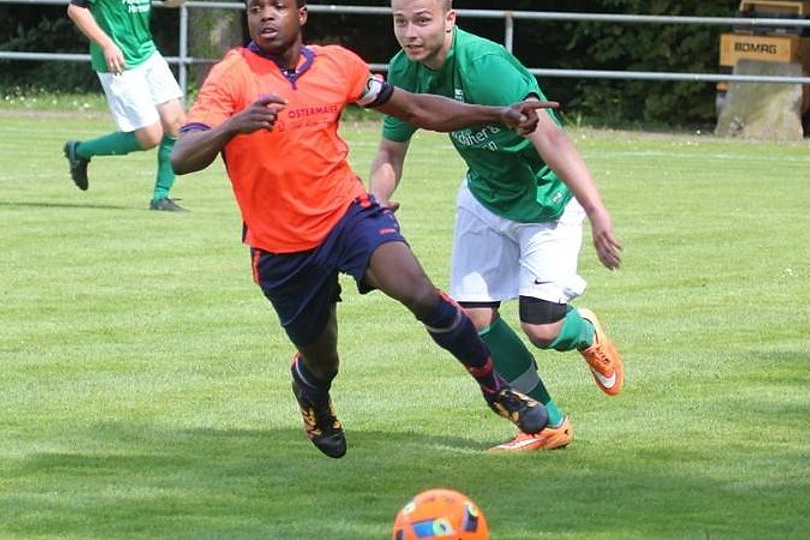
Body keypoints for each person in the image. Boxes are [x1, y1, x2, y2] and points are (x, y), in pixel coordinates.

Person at [171, 0, 558, 459]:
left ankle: (498, 391)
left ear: (302, 14)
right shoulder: (232, 75)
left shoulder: (337, 65)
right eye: (256, 9)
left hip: (347, 214)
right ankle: (311, 391)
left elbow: (415, 108)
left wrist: (496, 114)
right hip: (282, 246)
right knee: (323, 360)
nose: (266, 16)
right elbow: (182, 156)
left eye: (277, 6)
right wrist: (234, 125)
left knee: (421, 294)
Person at [369, 0, 625, 453]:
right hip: (483, 198)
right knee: (474, 321)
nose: (410, 33)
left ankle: (583, 331)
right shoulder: (404, 70)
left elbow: (552, 138)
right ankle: (547, 424)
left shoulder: (486, 66)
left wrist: (597, 209)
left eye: (422, 20)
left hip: (544, 202)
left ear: (450, 19)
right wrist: (377, 202)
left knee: (543, 329)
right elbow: (391, 150)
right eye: (400, 21)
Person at [64, 0, 189, 212]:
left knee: (176, 123)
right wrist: (107, 45)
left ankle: (160, 198)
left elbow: (169, 2)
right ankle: (80, 151)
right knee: (150, 136)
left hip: (147, 53)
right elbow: (75, 9)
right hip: (118, 61)